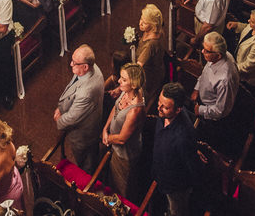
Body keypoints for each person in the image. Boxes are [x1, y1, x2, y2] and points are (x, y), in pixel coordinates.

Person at [152, 83, 201, 216]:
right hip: (161, 175)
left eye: (165, 107)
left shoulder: (183, 137)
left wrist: (193, 150)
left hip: (176, 187)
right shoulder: (163, 116)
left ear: (178, 110)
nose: (159, 108)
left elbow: (192, 168)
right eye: (159, 102)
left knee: (176, 211)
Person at [54, 44, 105, 169]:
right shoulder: (91, 68)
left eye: (74, 63)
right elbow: (74, 85)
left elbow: (73, 117)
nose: (71, 64)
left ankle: (89, 183)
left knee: (86, 164)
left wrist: (59, 120)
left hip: (83, 135)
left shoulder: (86, 92)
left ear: (85, 66)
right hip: (90, 121)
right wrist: (61, 108)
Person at [101, 62, 146, 201]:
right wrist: (105, 128)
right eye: (121, 77)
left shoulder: (134, 111)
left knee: (122, 189)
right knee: (112, 182)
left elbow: (121, 139)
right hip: (114, 146)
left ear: (133, 84)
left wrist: (108, 138)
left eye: (124, 79)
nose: (119, 81)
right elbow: (116, 108)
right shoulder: (125, 92)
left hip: (124, 155)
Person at [192, 31, 239, 142]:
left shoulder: (224, 80)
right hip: (204, 101)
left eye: (206, 51)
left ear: (218, 55)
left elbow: (220, 111)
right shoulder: (215, 57)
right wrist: (197, 88)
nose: (202, 51)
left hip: (213, 118)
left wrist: (201, 110)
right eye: (203, 48)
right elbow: (205, 72)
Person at [227, 9, 255, 93]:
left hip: (251, 79)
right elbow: (247, 27)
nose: (248, 21)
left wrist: (230, 69)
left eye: (251, 21)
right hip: (240, 64)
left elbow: (248, 65)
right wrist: (237, 25)